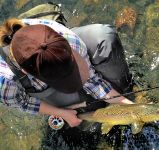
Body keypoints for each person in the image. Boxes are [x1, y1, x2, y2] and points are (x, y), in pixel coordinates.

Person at [0, 18, 133, 127]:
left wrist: (128, 104)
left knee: (103, 36)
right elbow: (24, 102)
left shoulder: (68, 38)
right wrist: (62, 113)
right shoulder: (5, 82)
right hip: (32, 86)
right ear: (25, 71)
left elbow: (91, 80)